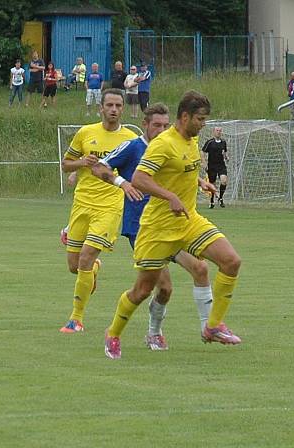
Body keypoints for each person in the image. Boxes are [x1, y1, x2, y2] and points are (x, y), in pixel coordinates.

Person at [103, 90, 242, 360]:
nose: (203, 124)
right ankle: (113, 333)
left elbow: (180, 169)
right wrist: (170, 196)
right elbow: (140, 179)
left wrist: (201, 182)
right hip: (158, 228)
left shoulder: (191, 140)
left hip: (188, 221)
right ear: (185, 116)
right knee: (143, 290)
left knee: (231, 261)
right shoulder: (163, 143)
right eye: (200, 119)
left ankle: (212, 326)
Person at [90, 103, 214, 351]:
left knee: (200, 268)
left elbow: (174, 171)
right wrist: (122, 183)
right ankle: (138, 332)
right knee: (161, 287)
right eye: (156, 125)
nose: (160, 129)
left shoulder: (172, 144)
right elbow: (98, 166)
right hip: (145, 228)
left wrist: (199, 180)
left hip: (175, 224)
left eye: (164, 125)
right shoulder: (134, 147)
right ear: (145, 125)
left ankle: (202, 329)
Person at [59, 89, 138, 334]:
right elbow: (65, 164)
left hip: (111, 206)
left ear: (123, 109)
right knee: (75, 266)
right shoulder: (86, 133)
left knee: (85, 256)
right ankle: (93, 269)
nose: (114, 109)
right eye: (110, 105)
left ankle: (76, 319)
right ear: (101, 108)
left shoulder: (131, 139)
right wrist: (82, 163)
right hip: (82, 204)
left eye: (118, 105)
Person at [201, 126, 229, 208]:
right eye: (217, 130)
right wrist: (204, 163)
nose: (219, 132)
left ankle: (220, 198)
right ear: (213, 132)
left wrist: (226, 157)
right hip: (211, 165)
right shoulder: (210, 142)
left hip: (221, 165)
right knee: (212, 184)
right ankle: (212, 201)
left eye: (220, 130)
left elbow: (225, 152)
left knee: (224, 181)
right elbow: (202, 152)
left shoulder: (223, 142)